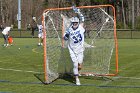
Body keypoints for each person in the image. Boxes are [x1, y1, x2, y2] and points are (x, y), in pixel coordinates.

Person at [63, 6, 85, 85]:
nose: (75, 24)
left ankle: (75, 72)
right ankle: (77, 79)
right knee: (75, 65)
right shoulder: (69, 29)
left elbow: (83, 19)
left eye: (76, 23)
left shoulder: (81, 27)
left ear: (78, 23)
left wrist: (78, 12)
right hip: (72, 49)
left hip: (80, 49)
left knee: (79, 65)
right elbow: (64, 38)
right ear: (72, 23)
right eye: (73, 23)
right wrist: (66, 36)